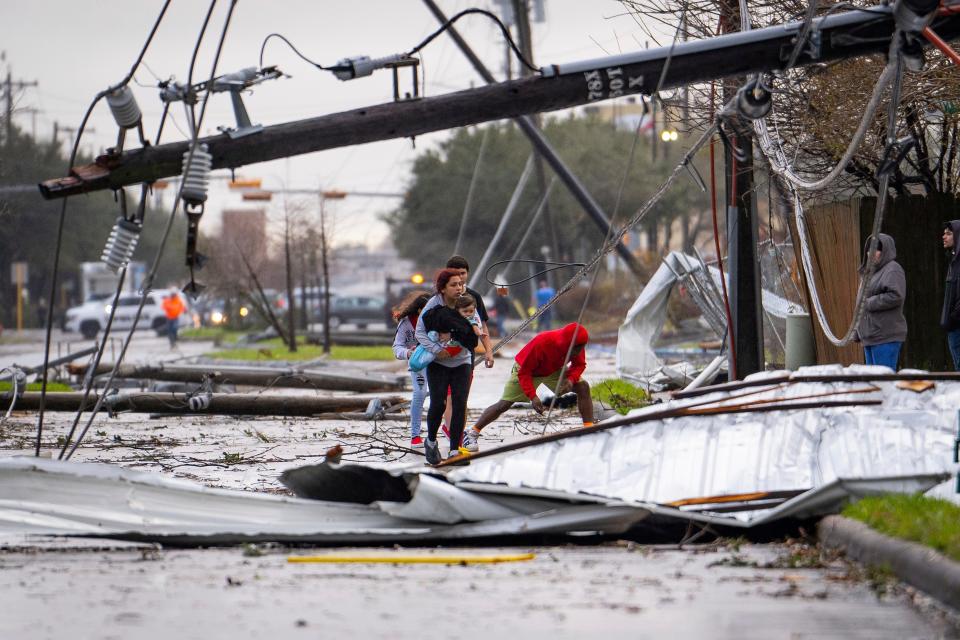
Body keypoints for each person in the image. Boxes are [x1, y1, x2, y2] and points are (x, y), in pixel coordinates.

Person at [462, 323, 594, 453]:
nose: (579, 351)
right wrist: (533, 396)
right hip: (527, 370)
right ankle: (472, 432)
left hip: (552, 369)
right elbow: (524, 372)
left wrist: (571, 380)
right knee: (504, 404)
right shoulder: (543, 342)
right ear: (566, 343)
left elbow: (580, 365)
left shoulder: (577, 345)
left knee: (583, 386)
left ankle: (588, 429)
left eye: (582, 347)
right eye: (577, 348)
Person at [415, 269, 483, 464]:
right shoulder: (433, 305)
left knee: (460, 403)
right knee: (439, 404)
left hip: (462, 361)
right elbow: (420, 333)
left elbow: (475, 325)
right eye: (453, 285)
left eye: (460, 284)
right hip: (438, 363)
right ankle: (430, 441)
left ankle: (455, 450)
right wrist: (436, 349)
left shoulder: (466, 302)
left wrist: (455, 336)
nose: (458, 288)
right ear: (442, 288)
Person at [440, 255, 495, 443]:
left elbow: (483, 326)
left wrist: (488, 351)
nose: (460, 278)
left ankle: (455, 432)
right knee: (449, 398)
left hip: (467, 355)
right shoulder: (441, 298)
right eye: (456, 274)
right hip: (443, 356)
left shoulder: (474, 297)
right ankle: (452, 434)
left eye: (463, 273)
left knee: (460, 398)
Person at [855, 233, 906, 370]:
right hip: (869, 337)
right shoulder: (868, 273)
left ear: (885, 251)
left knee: (884, 383)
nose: (870, 253)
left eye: (875, 249)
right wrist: (857, 331)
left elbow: (896, 296)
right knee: (874, 383)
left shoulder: (892, 269)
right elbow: (860, 304)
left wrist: (870, 303)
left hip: (885, 336)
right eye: (868, 249)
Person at [392, 290, 431, 447]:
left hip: (437, 364)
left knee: (439, 397)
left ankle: (437, 433)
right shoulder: (406, 323)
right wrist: (409, 353)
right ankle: (415, 435)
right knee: (419, 393)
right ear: (419, 310)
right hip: (418, 365)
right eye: (428, 310)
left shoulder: (437, 321)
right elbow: (397, 347)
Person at [942, 221, 960, 370]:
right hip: (953, 328)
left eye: (948, 233)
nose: (943, 236)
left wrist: (952, 319)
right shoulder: (953, 262)